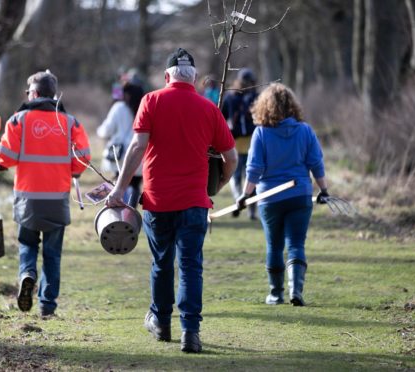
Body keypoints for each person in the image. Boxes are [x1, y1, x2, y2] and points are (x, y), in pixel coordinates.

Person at [105, 48, 237, 353]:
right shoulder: (208, 109)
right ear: (193, 79)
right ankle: (190, 332)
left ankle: (162, 323)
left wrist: (118, 190)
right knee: (191, 266)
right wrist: (219, 182)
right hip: (194, 202)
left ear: (167, 76)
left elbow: (137, 148)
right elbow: (230, 158)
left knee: (162, 263)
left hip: (158, 201)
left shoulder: (151, 101)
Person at [0, 71, 91, 317]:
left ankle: (27, 274)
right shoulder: (70, 122)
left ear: (33, 93)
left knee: (27, 245)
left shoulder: (17, 120)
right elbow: (84, 157)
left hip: (27, 200)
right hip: (57, 200)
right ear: (53, 94)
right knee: (53, 255)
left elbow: (7, 158)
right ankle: (47, 306)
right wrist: (73, 172)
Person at [236, 83, 329, 307]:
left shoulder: (261, 133)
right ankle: (295, 291)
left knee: (274, 245)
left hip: (269, 198)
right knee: (296, 243)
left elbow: (254, 168)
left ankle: (276, 294)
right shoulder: (305, 130)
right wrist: (324, 190)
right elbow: (316, 163)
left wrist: (245, 195)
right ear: (292, 106)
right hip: (300, 195)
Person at [97, 82, 145, 208]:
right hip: (140, 154)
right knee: (134, 185)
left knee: (119, 184)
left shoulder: (119, 107)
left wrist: (100, 131)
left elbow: (105, 130)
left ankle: (119, 213)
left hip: (120, 154)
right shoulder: (145, 106)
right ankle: (131, 211)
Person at [221, 68, 258, 220]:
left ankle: (252, 211)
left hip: (253, 142)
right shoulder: (231, 97)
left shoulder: (257, 98)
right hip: (234, 142)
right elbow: (222, 118)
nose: (246, 84)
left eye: (249, 82)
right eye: (244, 82)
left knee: (251, 176)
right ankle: (239, 200)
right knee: (235, 177)